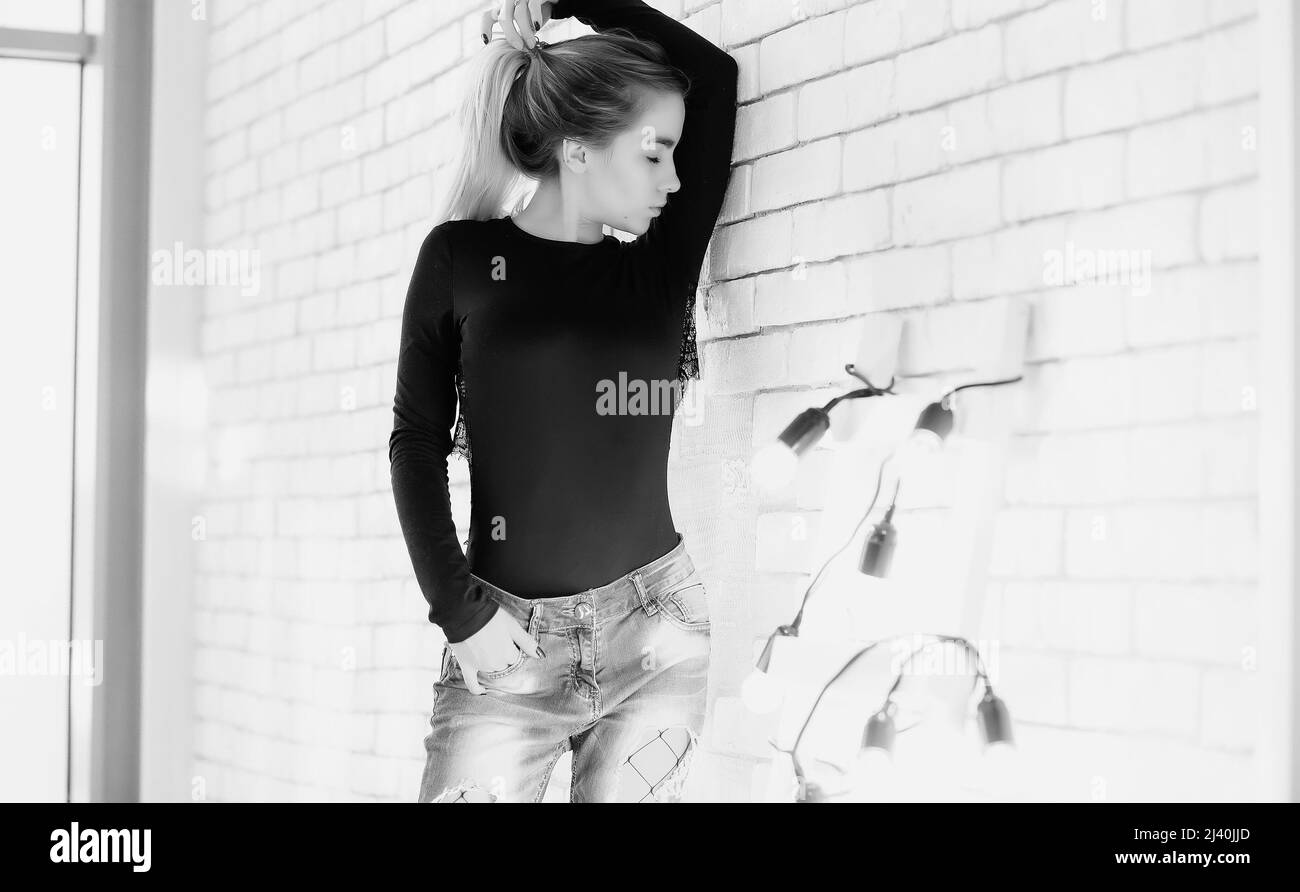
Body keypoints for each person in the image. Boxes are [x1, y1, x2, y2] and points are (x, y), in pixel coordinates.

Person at [388, 0, 738, 802]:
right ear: (577, 150)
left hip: (659, 633)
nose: (675, 179)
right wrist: (459, 610)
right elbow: (415, 441)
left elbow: (715, 79)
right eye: (655, 155)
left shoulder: (656, 267)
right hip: (506, 643)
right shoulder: (461, 260)